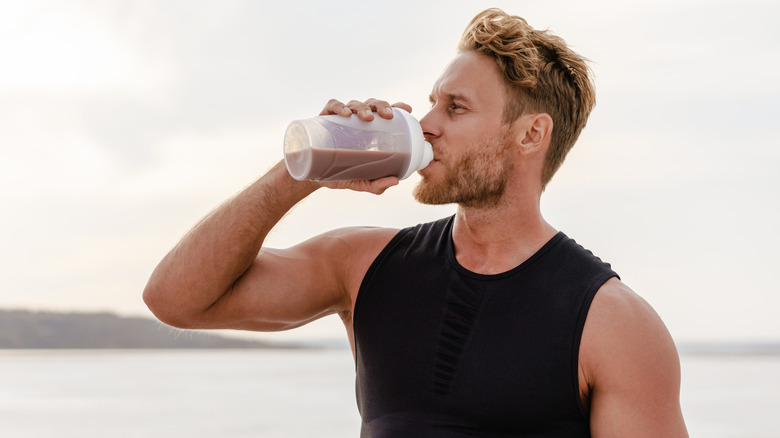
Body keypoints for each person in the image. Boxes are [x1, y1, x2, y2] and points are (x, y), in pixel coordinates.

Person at [144, 8, 688, 437]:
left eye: (455, 108)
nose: (424, 124)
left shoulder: (614, 325)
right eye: (431, 103)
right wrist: (303, 168)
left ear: (530, 135)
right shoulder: (363, 266)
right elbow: (175, 299)